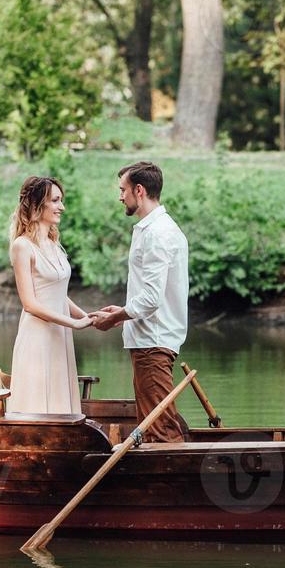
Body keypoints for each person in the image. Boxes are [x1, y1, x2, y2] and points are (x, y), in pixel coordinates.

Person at [89, 161, 190, 443]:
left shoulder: (159, 233)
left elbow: (151, 299)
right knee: (155, 422)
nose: (120, 196)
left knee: (161, 429)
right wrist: (121, 310)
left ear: (139, 190)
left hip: (153, 341)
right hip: (148, 340)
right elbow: (146, 293)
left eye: (123, 190)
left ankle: (172, 483)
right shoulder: (153, 229)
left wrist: (116, 316)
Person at [8, 176, 94, 415]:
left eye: (61, 201)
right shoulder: (22, 246)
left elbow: (57, 294)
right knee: (36, 404)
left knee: (60, 404)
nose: (61, 207)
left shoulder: (54, 244)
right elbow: (30, 304)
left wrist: (88, 317)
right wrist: (74, 323)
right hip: (37, 338)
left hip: (60, 335)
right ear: (37, 204)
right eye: (55, 201)